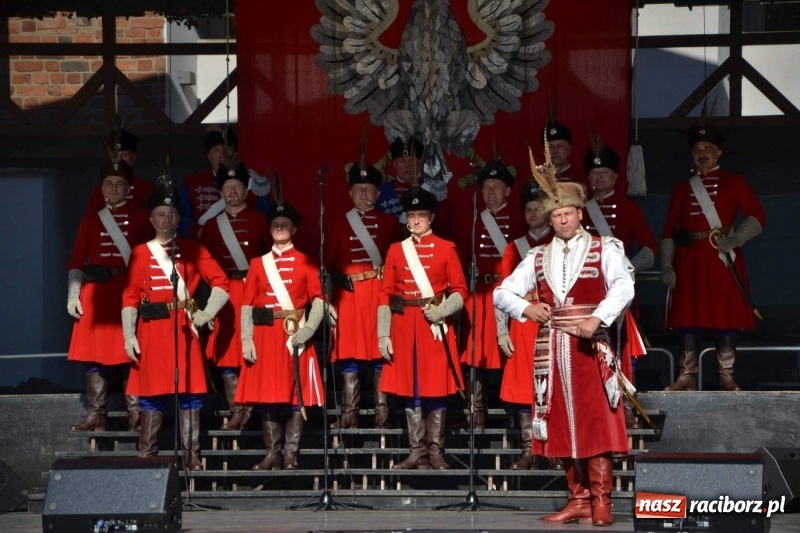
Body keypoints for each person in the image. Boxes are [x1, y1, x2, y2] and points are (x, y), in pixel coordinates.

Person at [494, 166, 633, 526]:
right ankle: (579, 499)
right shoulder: (537, 256)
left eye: (567, 213)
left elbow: (623, 286)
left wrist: (599, 317)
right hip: (553, 350)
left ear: (580, 214)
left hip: (592, 349)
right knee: (561, 423)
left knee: (596, 422)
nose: (562, 220)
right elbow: (501, 292)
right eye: (556, 215)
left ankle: (602, 500)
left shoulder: (606, 247)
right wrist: (527, 307)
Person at [122, 183, 230, 470]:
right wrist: (129, 334)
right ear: (151, 219)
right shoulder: (140, 253)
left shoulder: (194, 249)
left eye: (170, 214)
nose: (165, 219)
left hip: (184, 328)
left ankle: (191, 455)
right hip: (151, 330)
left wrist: (206, 314)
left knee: (191, 395)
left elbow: (222, 283)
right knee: (151, 396)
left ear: (178, 218)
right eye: (160, 214)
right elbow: (130, 296)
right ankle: (147, 455)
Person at [661, 118, 765, 392]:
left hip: (722, 259)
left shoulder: (734, 182)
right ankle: (686, 375)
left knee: (724, 319)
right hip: (689, 261)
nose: (702, 153)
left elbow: (758, 215)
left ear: (718, 153)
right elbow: (669, 230)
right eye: (697, 148)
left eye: (708, 147)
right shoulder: (682, 188)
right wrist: (666, 264)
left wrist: (736, 238)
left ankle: (726, 375)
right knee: (687, 321)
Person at [378, 186, 468, 470]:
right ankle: (417, 451)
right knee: (410, 388)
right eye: (411, 215)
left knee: (436, 388)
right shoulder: (395, 250)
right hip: (404, 326)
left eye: (421, 215)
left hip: (434, 326)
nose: (416, 221)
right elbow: (385, 295)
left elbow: (460, 291)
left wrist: (441, 311)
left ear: (431, 218)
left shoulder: (446, 247)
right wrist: (383, 333)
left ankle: (436, 451)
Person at [235, 200, 325, 471]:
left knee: (296, 394)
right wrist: (246, 338)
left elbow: (319, 301)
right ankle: (271, 453)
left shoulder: (306, 262)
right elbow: (247, 304)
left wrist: (308, 329)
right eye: (275, 225)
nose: (280, 228)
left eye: (285, 225)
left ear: (294, 229)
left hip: (293, 335)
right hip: (264, 336)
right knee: (267, 396)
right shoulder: (257, 264)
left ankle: (290, 454)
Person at [67, 159, 152, 432]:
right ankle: (96, 413)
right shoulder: (91, 219)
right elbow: (77, 260)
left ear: (129, 189)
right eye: (108, 184)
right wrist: (73, 294)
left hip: (128, 291)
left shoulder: (141, 217)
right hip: (96, 294)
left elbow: (152, 258)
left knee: (132, 353)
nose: (113, 188)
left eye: (119, 184)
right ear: (101, 190)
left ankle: (136, 414)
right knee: (95, 355)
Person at [582, 141, 656, 427]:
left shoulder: (627, 208)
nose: (598, 178)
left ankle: (625, 408)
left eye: (604, 174)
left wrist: (628, 267)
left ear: (615, 177)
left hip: (617, 291)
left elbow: (650, 248)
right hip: (587, 292)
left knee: (623, 350)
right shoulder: (579, 211)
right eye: (594, 174)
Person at [325, 161, 403, 429]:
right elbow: (326, 266)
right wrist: (326, 302)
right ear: (350, 193)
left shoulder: (390, 223)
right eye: (358, 189)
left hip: (378, 294)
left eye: (369, 189)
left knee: (382, 352)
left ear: (378, 194)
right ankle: (349, 414)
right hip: (347, 297)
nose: (364, 194)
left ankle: (382, 413)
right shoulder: (337, 224)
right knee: (348, 354)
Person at [200, 162, 271, 430]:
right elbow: (202, 265)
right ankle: (236, 410)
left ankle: (250, 407)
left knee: (250, 352)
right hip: (225, 296)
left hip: (252, 293)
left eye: (237, 187)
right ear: (221, 192)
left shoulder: (259, 221)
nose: (232, 191)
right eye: (227, 187)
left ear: (245, 190)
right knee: (226, 355)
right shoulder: (211, 226)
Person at [458, 159, 525, 429]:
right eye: (487, 187)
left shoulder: (520, 221)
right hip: (479, 296)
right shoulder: (474, 220)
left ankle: (511, 410)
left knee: (510, 351)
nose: (492, 193)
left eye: (497, 187)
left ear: (508, 191)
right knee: (475, 353)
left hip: (508, 295)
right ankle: (477, 410)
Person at [495, 182, 553, 470]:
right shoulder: (513, 247)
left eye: (538, 208)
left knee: (552, 385)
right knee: (523, 389)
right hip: (522, 321)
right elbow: (502, 292)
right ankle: (529, 448)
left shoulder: (559, 243)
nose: (533, 213)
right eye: (528, 209)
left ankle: (553, 448)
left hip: (551, 322)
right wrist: (501, 330)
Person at [178, 128, 271, 240]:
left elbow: (263, 218)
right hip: (206, 245)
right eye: (216, 150)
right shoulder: (192, 183)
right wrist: (199, 232)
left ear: (235, 154)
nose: (222, 154)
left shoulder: (253, 183)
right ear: (209, 155)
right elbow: (182, 220)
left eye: (226, 149)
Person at [86, 129, 155, 211]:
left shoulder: (147, 189)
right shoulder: (99, 192)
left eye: (124, 155)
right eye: (114, 155)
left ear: (133, 158)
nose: (119, 160)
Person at [376, 136, 423, 223]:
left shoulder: (429, 189)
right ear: (394, 165)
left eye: (411, 160)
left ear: (419, 163)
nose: (407, 165)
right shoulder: (381, 193)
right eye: (402, 161)